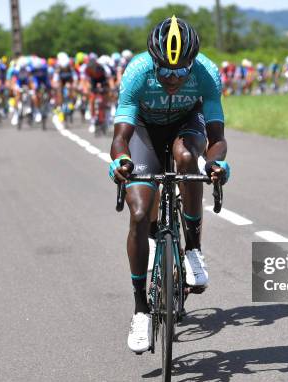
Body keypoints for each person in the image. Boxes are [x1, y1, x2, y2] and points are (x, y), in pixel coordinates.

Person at [109, 16, 230, 353]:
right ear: (154, 63)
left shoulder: (205, 74)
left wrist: (216, 163)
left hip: (185, 128)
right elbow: (121, 136)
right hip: (145, 133)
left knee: (188, 160)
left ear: (192, 63)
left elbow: (217, 137)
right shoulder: (136, 73)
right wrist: (121, 162)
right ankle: (141, 312)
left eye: (181, 71)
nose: (174, 78)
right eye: (165, 71)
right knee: (139, 211)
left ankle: (192, 250)